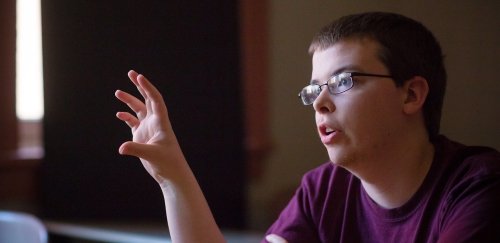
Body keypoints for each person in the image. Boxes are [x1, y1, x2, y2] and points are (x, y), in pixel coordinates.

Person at [115, 12, 500, 243]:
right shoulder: (322, 189)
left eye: (344, 81)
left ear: (411, 95)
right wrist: (171, 175)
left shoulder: (478, 186)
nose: (319, 102)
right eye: (315, 88)